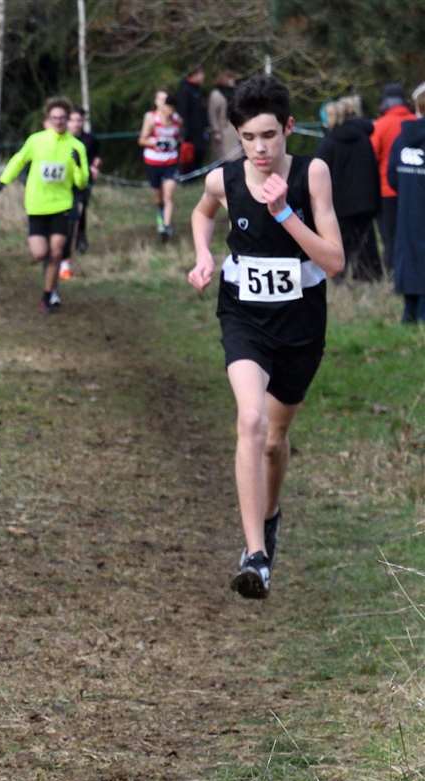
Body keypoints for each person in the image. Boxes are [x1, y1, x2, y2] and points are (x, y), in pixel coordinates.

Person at [187, 74, 343, 600]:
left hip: (300, 325)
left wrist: (284, 214)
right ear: (237, 134)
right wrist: (205, 254)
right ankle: (255, 556)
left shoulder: (312, 174)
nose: (260, 148)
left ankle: (270, 519)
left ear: (289, 129)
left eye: (270, 136)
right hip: (244, 319)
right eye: (250, 137)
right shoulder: (224, 180)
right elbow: (202, 212)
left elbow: (335, 261)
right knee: (249, 421)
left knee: (275, 441)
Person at [0, 96, 89, 312]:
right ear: (48, 119)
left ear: (67, 119)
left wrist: (76, 164)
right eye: (54, 118)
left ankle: (48, 295)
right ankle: (50, 276)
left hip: (62, 205)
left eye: (63, 118)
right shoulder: (36, 140)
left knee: (56, 252)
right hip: (37, 204)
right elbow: (19, 160)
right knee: (39, 253)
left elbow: (82, 182)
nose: (59, 122)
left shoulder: (76, 146)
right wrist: (3, 180)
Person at [316, 95, 382, 281]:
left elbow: (318, 169)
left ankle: (338, 275)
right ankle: (369, 276)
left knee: (341, 241)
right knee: (367, 241)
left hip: (340, 202)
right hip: (366, 200)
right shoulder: (364, 138)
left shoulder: (329, 143)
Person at [387, 80, 425, 323]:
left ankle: (409, 313)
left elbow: (392, 177)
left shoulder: (401, 140)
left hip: (407, 208)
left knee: (409, 255)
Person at [371, 82, 415, 273]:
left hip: (387, 190)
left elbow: (372, 156)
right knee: (413, 232)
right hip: (415, 188)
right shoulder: (416, 122)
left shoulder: (380, 126)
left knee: (390, 236)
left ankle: (392, 273)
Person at [139, 89, 182, 241]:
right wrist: (157, 142)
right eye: (165, 104)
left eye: (170, 105)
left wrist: (175, 143)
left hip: (170, 162)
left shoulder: (177, 119)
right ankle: (160, 213)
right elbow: (142, 140)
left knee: (169, 195)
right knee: (158, 197)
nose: (168, 109)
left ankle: (166, 227)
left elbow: (179, 137)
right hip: (153, 162)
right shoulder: (151, 119)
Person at [67, 107, 102, 255]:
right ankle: (65, 240)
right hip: (65, 181)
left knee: (80, 210)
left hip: (84, 180)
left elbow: (97, 157)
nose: (76, 124)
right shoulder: (61, 139)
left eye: (79, 120)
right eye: (73, 120)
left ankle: (80, 238)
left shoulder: (90, 139)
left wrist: (95, 166)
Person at [176, 64, 208, 172]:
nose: (203, 77)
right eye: (201, 74)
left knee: (200, 152)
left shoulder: (198, 90)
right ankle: (187, 178)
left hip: (200, 130)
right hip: (189, 132)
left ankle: (196, 174)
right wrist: (184, 133)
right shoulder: (185, 90)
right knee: (188, 155)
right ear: (194, 74)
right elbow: (182, 112)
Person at [208, 71, 241, 164]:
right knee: (222, 156)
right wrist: (216, 131)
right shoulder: (216, 94)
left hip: (233, 127)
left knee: (235, 155)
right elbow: (212, 114)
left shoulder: (234, 92)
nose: (233, 80)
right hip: (222, 129)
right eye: (230, 78)